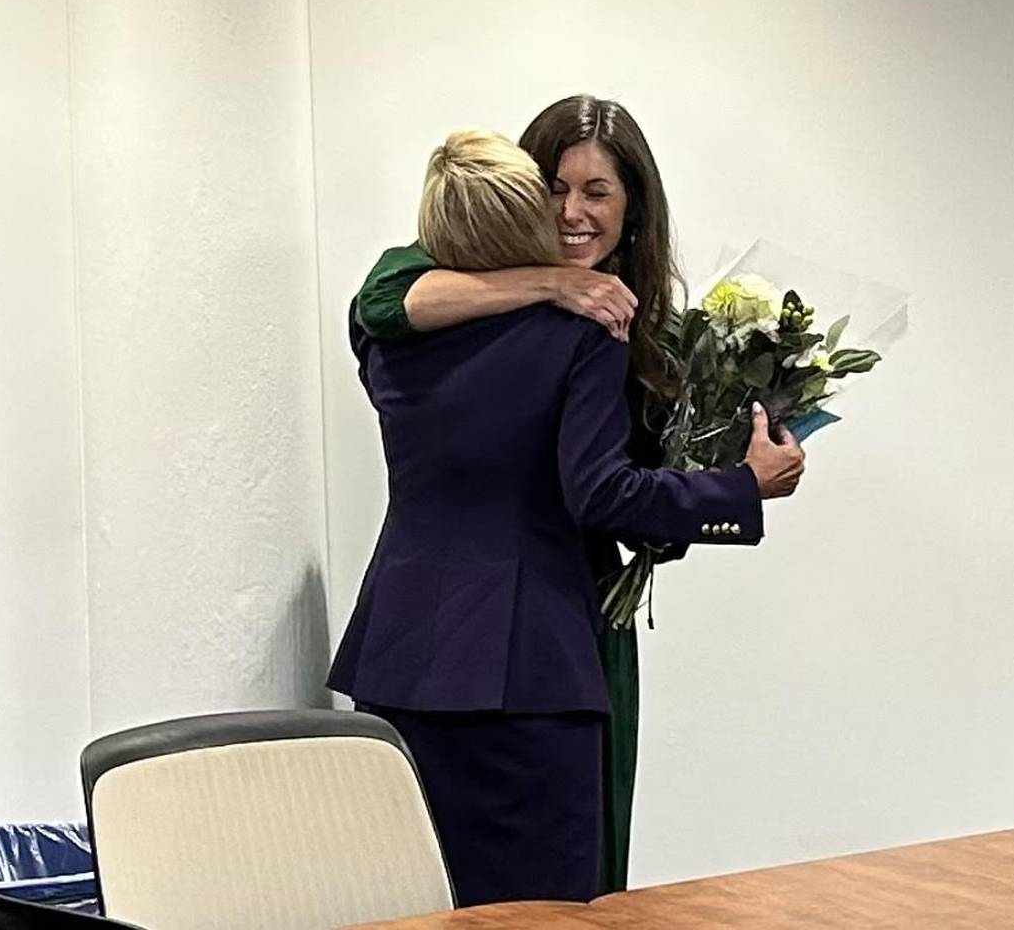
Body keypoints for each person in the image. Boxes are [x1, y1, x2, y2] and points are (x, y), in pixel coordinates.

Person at [328, 129, 803, 907]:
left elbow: (384, 305)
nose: (572, 213)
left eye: (597, 193)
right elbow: (602, 496)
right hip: (530, 668)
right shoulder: (585, 333)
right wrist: (741, 487)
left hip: (399, 651)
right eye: (556, 191)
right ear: (521, 206)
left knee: (416, 902)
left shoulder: (389, 335)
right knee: (547, 909)